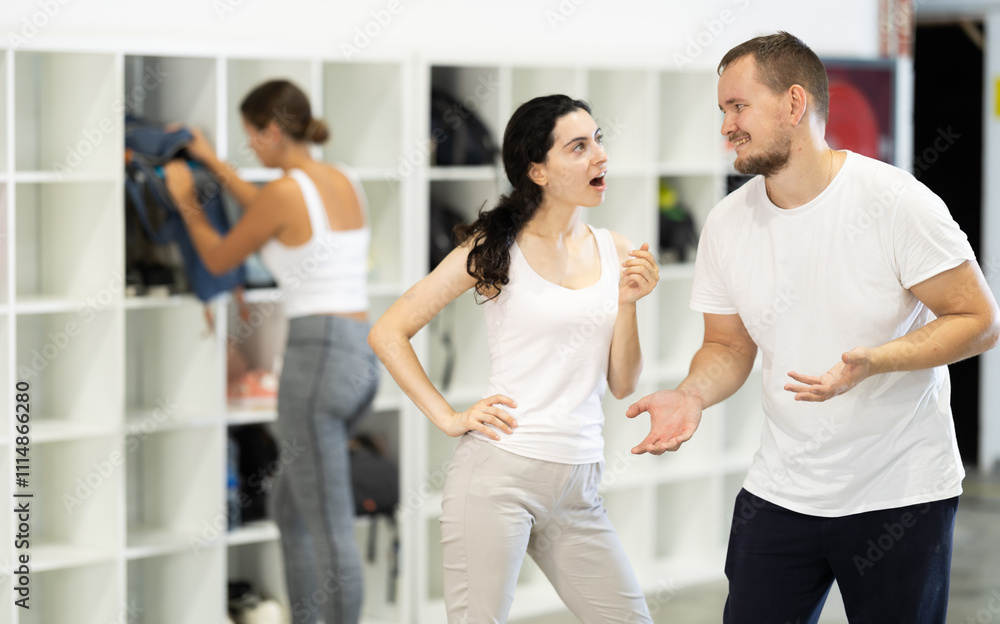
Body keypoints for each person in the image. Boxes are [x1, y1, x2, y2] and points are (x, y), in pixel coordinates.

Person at [627, 31, 1000, 624]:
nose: (725, 125)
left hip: (899, 493)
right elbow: (727, 344)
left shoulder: (896, 202)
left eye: (738, 106)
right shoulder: (727, 223)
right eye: (722, 110)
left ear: (794, 104)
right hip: (780, 490)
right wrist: (690, 394)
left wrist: (877, 360)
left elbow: (979, 321)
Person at [368, 94, 658, 623]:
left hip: (579, 482)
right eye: (579, 146)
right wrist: (449, 418)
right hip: (499, 476)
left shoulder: (615, 249)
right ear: (538, 171)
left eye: (598, 139)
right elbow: (389, 331)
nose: (600, 155)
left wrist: (628, 303)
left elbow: (622, 383)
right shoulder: (494, 247)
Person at [164, 79, 379, 624]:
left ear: (272, 131)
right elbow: (267, 211)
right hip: (360, 356)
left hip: (318, 358)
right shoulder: (342, 180)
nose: (251, 148)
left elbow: (219, 258)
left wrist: (186, 200)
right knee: (291, 506)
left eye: (251, 138)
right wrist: (211, 160)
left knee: (329, 527)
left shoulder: (286, 192)